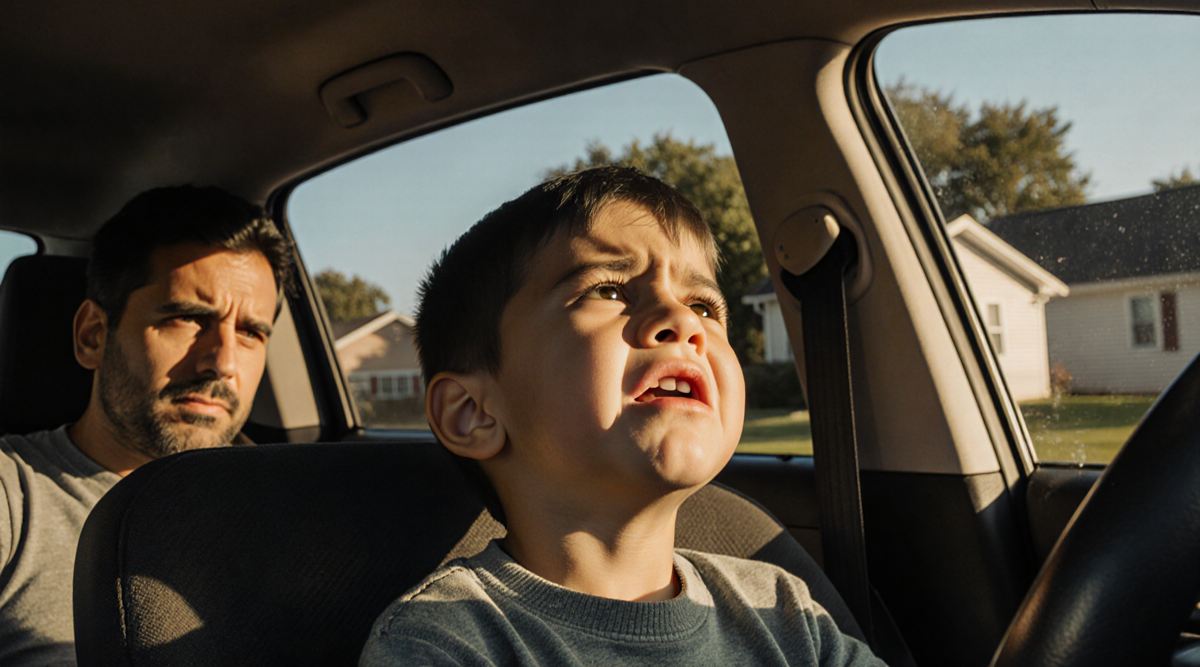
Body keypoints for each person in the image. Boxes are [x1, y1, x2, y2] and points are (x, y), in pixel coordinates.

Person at [359, 167, 884, 666]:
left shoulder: (784, 612)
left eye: (703, 305)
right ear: (472, 413)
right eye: (608, 290)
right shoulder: (444, 641)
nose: (682, 321)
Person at [0, 186, 292, 666]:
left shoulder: (291, 506)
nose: (222, 362)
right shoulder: (14, 497)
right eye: (186, 318)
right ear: (93, 335)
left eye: (250, 332)